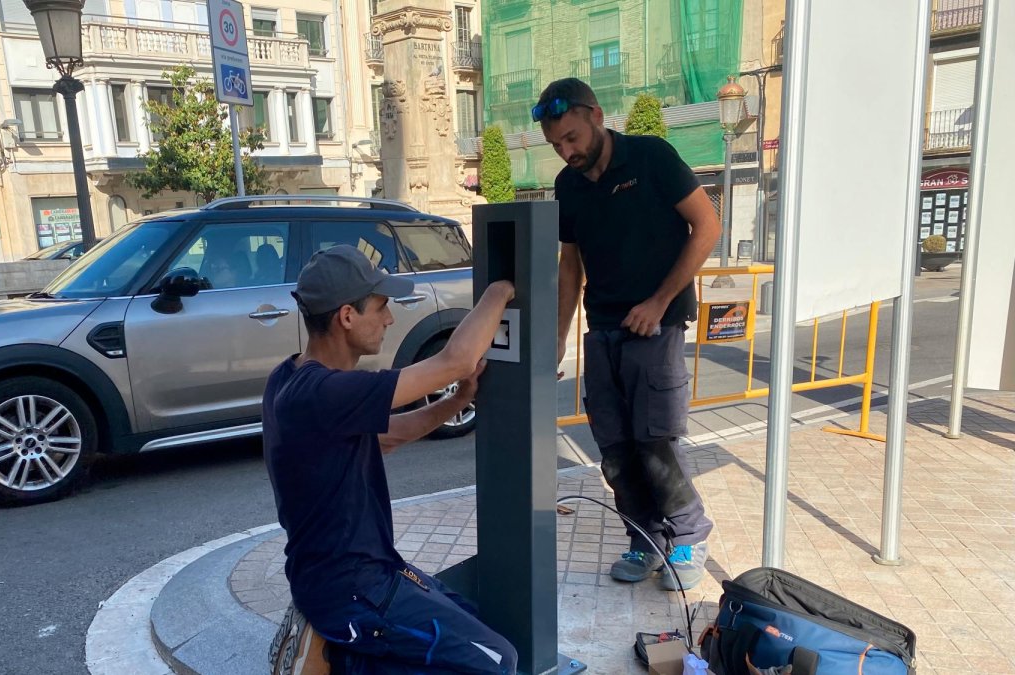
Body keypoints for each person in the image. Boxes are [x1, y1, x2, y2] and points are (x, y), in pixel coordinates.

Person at [263, 245, 518, 674]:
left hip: (360, 572)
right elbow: (455, 360)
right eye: (381, 307)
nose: (389, 318)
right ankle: (342, 658)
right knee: (497, 662)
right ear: (347, 316)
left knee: (471, 616)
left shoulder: (290, 376)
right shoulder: (324, 393)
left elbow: (386, 436)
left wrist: (455, 402)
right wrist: (503, 287)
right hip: (352, 589)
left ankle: (345, 651)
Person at [537, 78, 720, 590]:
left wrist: (659, 301)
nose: (566, 151)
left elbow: (707, 226)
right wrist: (559, 338)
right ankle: (645, 540)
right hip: (603, 329)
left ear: (596, 115)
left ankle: (688, 536)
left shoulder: (651, 158)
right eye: (556, 144)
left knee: (655, 441)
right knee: (614, 448)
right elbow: (570, 265)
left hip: (657, 326)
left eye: (571, 137)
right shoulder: (568, 187)